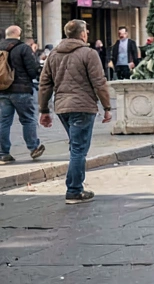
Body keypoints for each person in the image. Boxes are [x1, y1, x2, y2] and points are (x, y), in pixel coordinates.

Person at [38, 20, 113, 204]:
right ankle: (74, 190)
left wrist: (44, 110)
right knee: (79, 149)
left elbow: (44, 84)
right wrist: (107, 107)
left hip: (62, 106)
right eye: (86, 31)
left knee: (75, 146)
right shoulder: (88, 53)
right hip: (83, 106)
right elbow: (99, 82)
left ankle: (75, 187)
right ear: (82, 34)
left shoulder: (54, 54)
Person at [0, 25, 44, 164]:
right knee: (28, 119)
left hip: (2, 89)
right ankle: (33, 147)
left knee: (4, 122)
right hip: (21, 89)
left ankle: (3, 153)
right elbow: (32, 70)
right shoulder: (23, 48)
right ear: (18, 34)